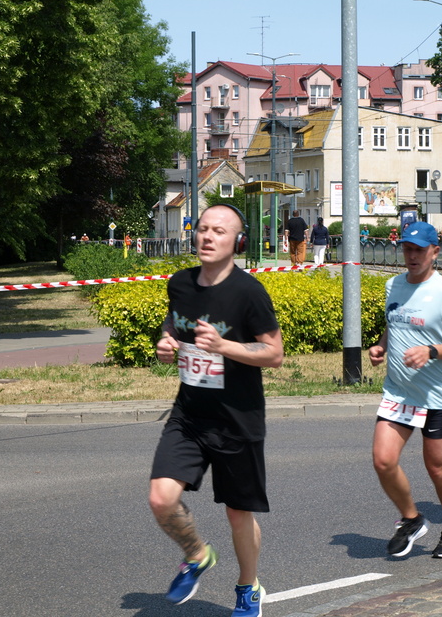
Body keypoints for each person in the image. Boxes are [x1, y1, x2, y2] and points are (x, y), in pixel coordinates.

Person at [149, 204, 284, 616]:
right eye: (203, 229)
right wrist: (166, 342)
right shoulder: (180, 283)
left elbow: (274, 353)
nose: (208, 237)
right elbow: (174, 323)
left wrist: (224, 346)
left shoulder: (249, 292)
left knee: (238, 515)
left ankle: (248, 587)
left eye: (219, 231)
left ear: (238, 242)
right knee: (161, 499)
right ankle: (197, 555)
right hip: (189, 413)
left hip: (237, 418)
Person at [369, 222, 442, 559]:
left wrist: (431, 351)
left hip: (436, 397)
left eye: (419, 249)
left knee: (437, 468)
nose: (412, 255)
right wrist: (382, 346)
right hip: (399, 393)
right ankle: (412, 519)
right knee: (383, 461)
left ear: (435, 251)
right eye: (407, 249)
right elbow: (395, 322)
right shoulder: (393, 285)